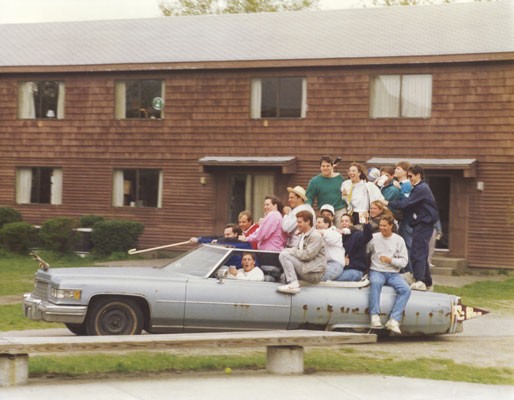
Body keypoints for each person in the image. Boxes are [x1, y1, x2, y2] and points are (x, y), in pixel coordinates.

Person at [386, 165, 440, 291]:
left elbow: (406, 203)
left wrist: (388, 203)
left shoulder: (421, 188)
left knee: (418, 252)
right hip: (420, 223)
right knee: (420, 251)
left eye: (411, 176)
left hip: (424, 223)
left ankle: (420, 280)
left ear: (418, 175)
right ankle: (427, 281)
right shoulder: (419, 188)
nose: (409, 179)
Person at [368, 214, 411, 334]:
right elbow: (367, 250)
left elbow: (404, 261)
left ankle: (394, 319)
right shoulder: (374, 237)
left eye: (385, 226)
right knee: (375, 283)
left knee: (406, 289)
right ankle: (374, 316)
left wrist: (390, 260)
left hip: (393, 273)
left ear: (391, 226)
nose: (382, 228)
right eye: (380, 225)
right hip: (377, 270)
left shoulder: (399, 240)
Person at [277, 210, 327, 294]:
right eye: (297, 222)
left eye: (300, 222)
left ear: (308, 222)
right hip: (307, 268)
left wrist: (291, 250)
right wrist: (291, 251)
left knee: (284, 254)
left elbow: (307, 256)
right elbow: (299, 253)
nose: (297, 224)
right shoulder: (303, 235)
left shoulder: (315, 236)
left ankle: (293, 284)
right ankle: (292, 284)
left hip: (314, 273)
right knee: (283, 276)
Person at [306, 155, 347, 229]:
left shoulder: (340, 178)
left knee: (342, 231)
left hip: (339, 209)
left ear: (332, 166)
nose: (325, 168)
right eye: (323, 166)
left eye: (328, 166)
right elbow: (309, 197)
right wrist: (308, 208)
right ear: (320, 167)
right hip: (324, 212)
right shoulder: (315, 181)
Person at [334, 214, 373, 282]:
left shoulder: (358, 234)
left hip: (355, 270)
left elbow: (368, 236)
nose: (344, 223)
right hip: (341, 268)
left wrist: (366, 223)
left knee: (335, 279)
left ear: (351, 223)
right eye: (342, 221)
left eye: (346, 221)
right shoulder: (338, 236)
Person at [393, 161, 414, 278]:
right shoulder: (397, 184)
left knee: (407, 244)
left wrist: (399, 188)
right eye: (396, 168)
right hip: (400, 219)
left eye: (399, 169)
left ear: (406, 172)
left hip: (407, 219)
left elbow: (406, 202)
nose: (396, 170)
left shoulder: (406, 185)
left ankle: (409, 271)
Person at [316, 216, 345, 281]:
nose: (316, 224)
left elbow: (328, 236)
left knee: (318, 278)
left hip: (335, 264)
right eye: (316, 222)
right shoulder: (318, 234)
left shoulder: (335, 233)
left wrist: (310, 231)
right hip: (323, 264)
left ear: (327, 224)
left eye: (319, 222)